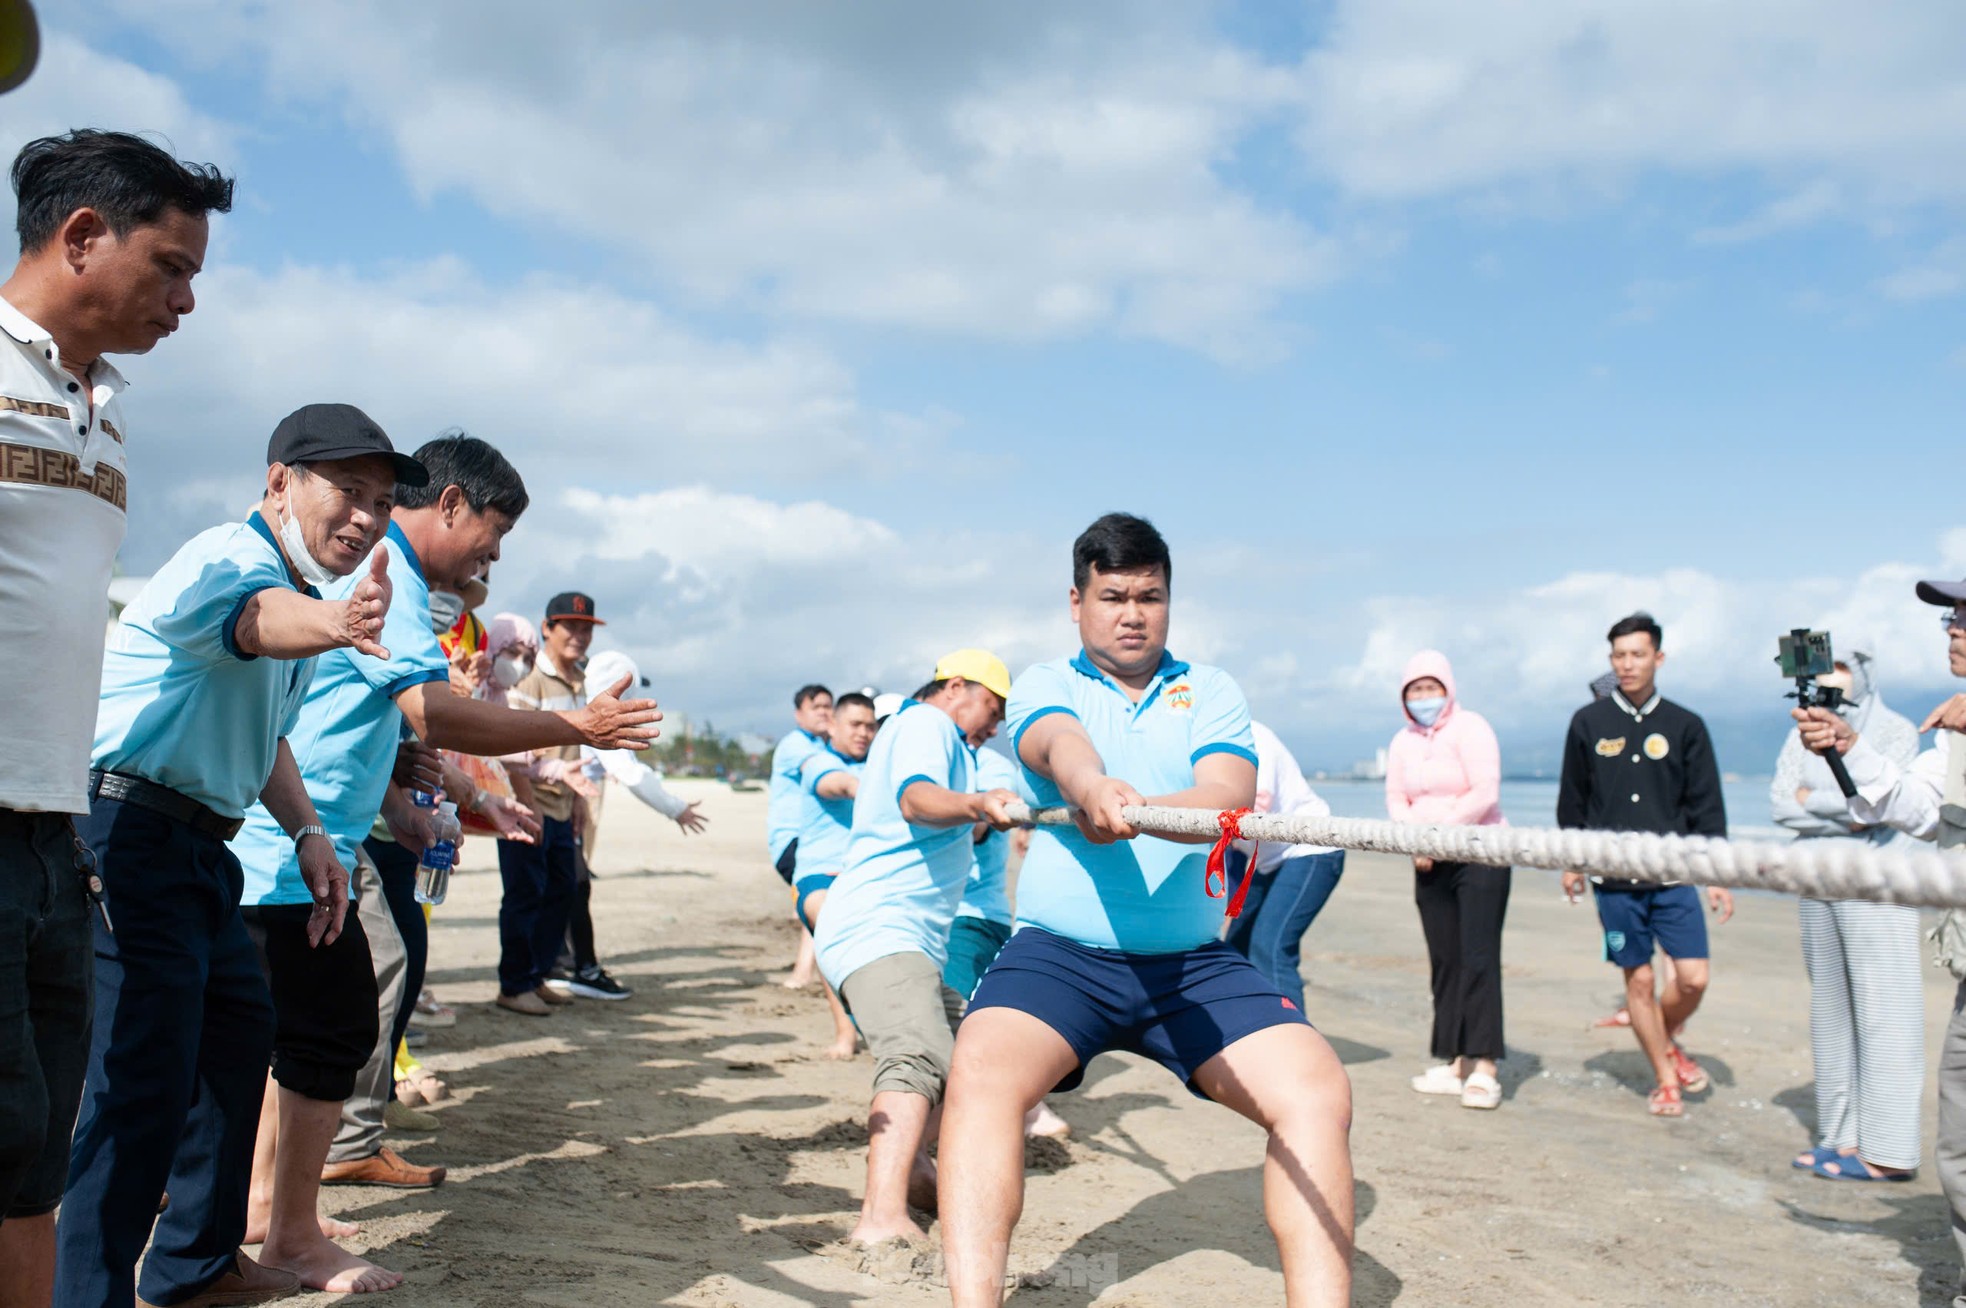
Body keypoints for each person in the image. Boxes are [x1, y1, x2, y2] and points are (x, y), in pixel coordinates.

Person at [229, 434, 659, 1293]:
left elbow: (339, 715)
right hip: (288, 848)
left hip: (304, 838)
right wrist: (575, 727)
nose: (495, 554)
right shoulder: (387, 572)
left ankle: (270, 1212)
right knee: (330, 1028)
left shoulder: (382, 573)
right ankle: (288, 1231)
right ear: (453, 503)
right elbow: (436, 711)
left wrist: (402, 797)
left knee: (300, 1031)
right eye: (493, 531)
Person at [940, 514, 1354, 1307]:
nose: (1133, 613)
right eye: (1114, 595)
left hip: (1191, 966)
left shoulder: (1215, 689)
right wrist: (1092, 789)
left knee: (1317, 1089)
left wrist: (1141, 808)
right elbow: (1057, 747)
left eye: (1151, 597)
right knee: (982, 1070)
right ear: (1077, 600)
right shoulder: (1044, 684)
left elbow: (1228, 793)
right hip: (1061, 957)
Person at [53, 407, 411, 1308]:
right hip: (125, 830)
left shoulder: (299, 593)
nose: (366, 516)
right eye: (348, 492)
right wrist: (338, 621)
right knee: (140, 1079)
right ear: (280, 482)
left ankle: (194, 1268)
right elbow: (257, 621)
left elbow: (269, 741)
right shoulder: (232, 558)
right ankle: (88, 1290)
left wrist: (310, 833)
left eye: (381, 501)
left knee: (236, 1039)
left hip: (204, 845)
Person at [0, 128, 232, 1308]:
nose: (188, 299)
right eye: (172, 265)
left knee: (33, 1157)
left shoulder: (104, 407)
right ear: (82, 237)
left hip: (55, 831)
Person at [812, 654, 1020, 1246]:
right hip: (879, 928)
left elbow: (933, 809)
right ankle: (879, 1217)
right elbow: (916, 799)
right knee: (919, 1055)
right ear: (956, 688)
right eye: (993, 709)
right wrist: (978, 803)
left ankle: (916, 1167)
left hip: (900, 937)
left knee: (973, 1055)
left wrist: (979, 814)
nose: (994, 725)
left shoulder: (938, 739)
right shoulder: (929, 724)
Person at [1795, 581, 1966, 1271]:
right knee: (1957, 1141)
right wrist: (1846, 745)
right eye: (1953, 617)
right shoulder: (1951, 732)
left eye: (1963, 617)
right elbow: (1910, 803)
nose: (1951, 628)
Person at [1559, 612, 1733, 1118]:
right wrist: (1571, 861)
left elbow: (1707, 806)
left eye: (1638, 654)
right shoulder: (1587, 723)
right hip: (1612, 882)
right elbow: (1573, 800)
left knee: (1693, 977)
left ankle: (1659, 1032)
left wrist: (1718, 875)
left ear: (1659, 657)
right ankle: (1665, 1077)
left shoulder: (1686, 725)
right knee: (1638, 981)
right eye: (1619, 656)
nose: (1628, 664)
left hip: (1673, 877)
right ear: (1610, 661)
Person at [1772, 640, 1924, 1181]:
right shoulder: (1803, 731)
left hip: (1876, 883)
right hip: (1815, 880)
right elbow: (1780, 802)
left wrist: (1816, 800)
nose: (1833, 678)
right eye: (1825, 668)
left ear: (1863, 673)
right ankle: (1840, 1135)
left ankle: (1887, 1149)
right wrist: (1834, 803)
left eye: (1843, 668)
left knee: (1884, 1010)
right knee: (1831, 1010)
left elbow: (1874, 811)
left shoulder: (1897, 730)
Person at [1384, 653, 1510, 1112]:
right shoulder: (1402, 741)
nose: (1423, 698)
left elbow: (1485, 790)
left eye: (1430, 688)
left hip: (1481, 853)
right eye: (1414, 690)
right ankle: (1455, 1061)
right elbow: (1397, 797)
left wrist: (1437, 836)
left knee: (1477, 957)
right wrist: (1416, 839)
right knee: (1445, 960)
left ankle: (1485, 1066)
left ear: (1448, 688)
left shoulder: (1471, 727)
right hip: (1427, 859)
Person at [551, 649, 711, 1002]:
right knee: (572, 884)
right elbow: (629, 771)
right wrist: (676, 808)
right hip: (557, 802)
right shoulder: (598, 712)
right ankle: (580, 968)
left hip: (569, 799)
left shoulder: (580, 700)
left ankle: (557, 962)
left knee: (563, 883)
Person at [497, 591, 610, 1014]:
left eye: (586, 629)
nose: (579, 636)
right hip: (526, 805)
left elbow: (576, 745)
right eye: (570, 627)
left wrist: (579, 800)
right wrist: (529, 803)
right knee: (525, 894)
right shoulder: (527, 675)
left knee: (564, 890)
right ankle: (513, 984)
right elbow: (508, 747)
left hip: (564, 803)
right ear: (547, 628)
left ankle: (538, 975)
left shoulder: (581, 680)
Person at [1224, 721, 1345, 1015]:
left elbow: (1253, 810)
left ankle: (1294, 1044)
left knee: (1272, 947)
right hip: (1265, 860)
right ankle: (1249, 1030)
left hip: (1310, 849)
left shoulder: (1249, 737)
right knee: (1234, 948)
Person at [791, 691, 878, 1058]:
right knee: (832, 929)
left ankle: (868, 1024)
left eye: (870, 727)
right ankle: (846, 1033)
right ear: (834, 725)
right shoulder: (817, 761)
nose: (863, 733)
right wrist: (874, 792)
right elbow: (837, 785)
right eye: (855, 724)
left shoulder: (879, 765)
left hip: (866, 877)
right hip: (819, 876)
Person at [770, 684, 834, 987]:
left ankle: (803, 971)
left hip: (816, 841)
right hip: (793, 840)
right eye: (816, 706)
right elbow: (822, 774)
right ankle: (803, 972)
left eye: (828, 706)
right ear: (799, 714)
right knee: (819, 900)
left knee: (820, 901)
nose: (824, 711)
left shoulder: (826, 746)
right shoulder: (796, 745)